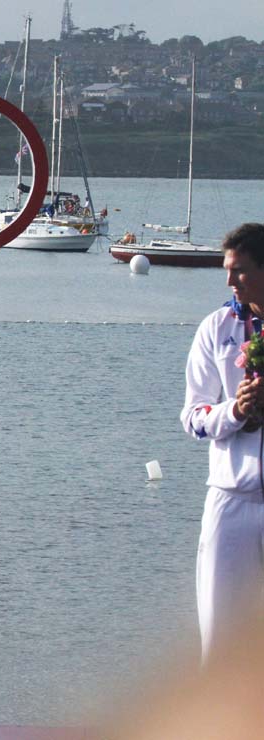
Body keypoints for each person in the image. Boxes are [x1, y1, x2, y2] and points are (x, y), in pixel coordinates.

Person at [181, 222, 264, 662]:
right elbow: (192, 418)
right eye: (227, 270)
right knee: (222, 639)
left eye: (241, 271)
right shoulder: (216, 327)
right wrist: (234, 411)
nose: (230, 280)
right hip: (231, 500)